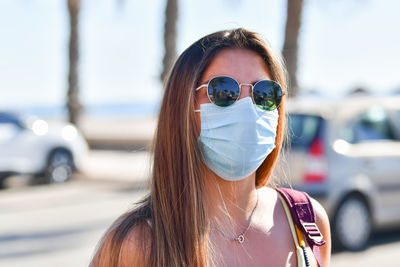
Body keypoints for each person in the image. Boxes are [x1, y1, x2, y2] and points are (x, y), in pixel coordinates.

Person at [90, 28, 331, 267]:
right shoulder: (138, 244)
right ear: (182, 108)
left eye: (264, 93)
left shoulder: (308, 223)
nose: (248, 108)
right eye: (223, 91)